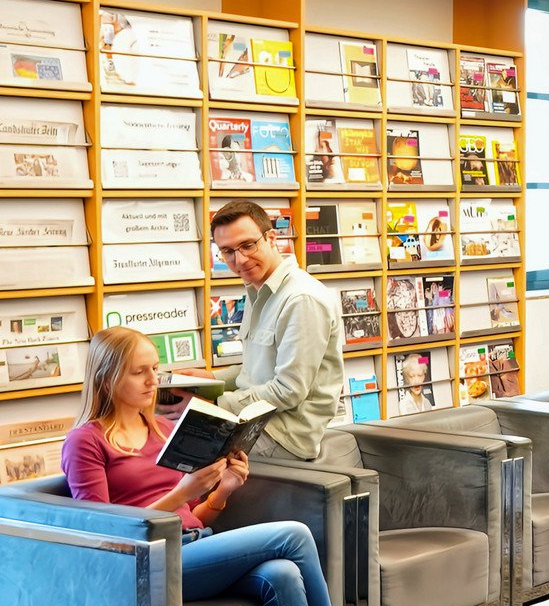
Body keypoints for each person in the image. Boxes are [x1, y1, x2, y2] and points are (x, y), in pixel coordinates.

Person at [62, 326, 331, 605]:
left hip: (195, 543)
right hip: (143, 562)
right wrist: (182, 493)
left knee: (283, 573)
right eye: (139, 372)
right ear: (107, 379)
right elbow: (100, 534)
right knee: (294, 534)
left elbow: (193, 517)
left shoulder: (164, 429)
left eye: (155, 369)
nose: (153, 380)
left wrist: (223, 490)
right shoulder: (85, 441)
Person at [173, 201, 343, 462]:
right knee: (161, 442)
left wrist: (215, 406)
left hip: (282, 434)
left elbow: (288, 390)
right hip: (252, 421)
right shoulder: (258, 289)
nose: (239, 260)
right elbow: (257, 372)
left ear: (271, 238)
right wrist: (210, 379)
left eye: (247, 245)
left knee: (182, 463)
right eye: (227, 251)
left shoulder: (301, 299)